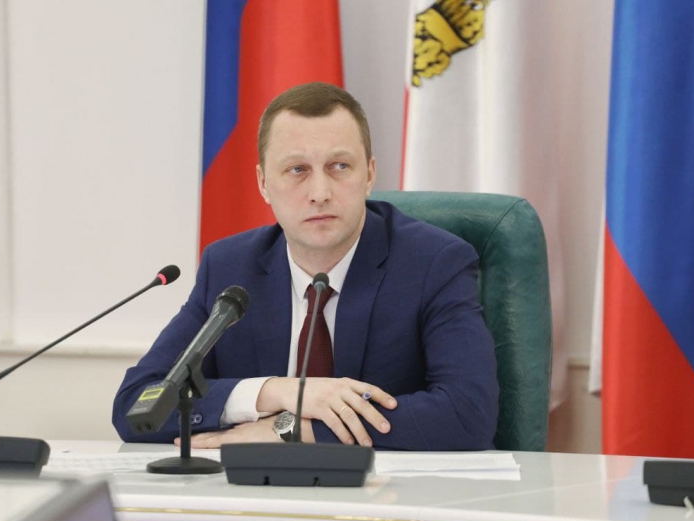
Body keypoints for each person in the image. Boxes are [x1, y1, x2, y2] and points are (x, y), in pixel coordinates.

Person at [112, 82, 499, 451]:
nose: (320, 193)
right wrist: (275, 392)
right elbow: (136, 405)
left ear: (369, 175)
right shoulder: (229, 268)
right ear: (264, 183)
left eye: (339, 166)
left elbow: (469, 413)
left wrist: (291, 429)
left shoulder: (433, 262)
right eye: (297, 169)